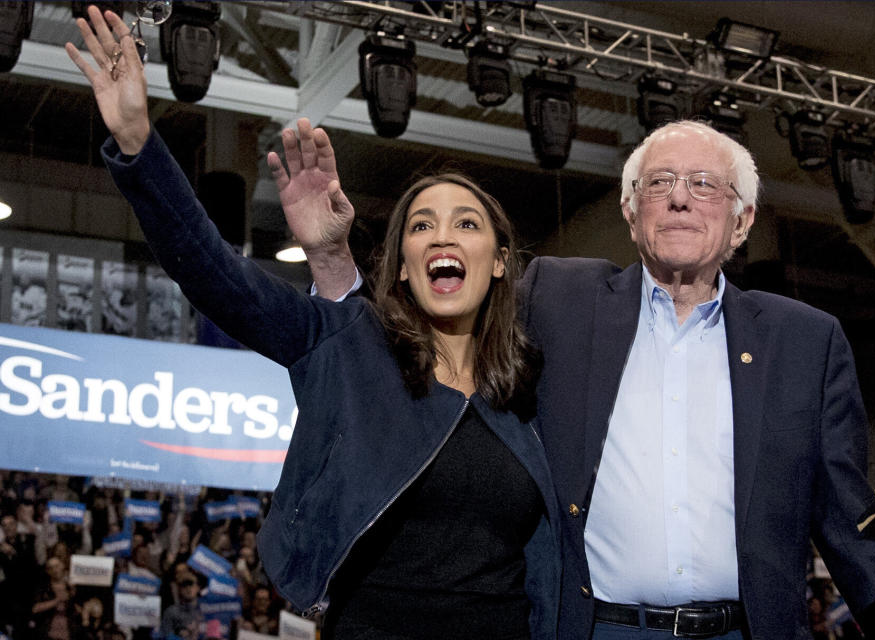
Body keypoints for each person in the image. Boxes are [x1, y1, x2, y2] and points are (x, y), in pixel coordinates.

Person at [291, 113, 875, 636]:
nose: (680, 198)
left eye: (705, 184)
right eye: (658, 184)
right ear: (631, 215)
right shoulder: (557, 299)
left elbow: (850, 517)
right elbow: (424, 343)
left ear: (743, 220)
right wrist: (329, 260)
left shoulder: (806, 342)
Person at [66, 7, 560, 640]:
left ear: (498, 264)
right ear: (403, 268)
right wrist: (139, 141)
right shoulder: (352, 352)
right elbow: (216, 277)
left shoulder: (532, 389)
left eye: (467, 223)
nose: (443, 235)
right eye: (420, 224)